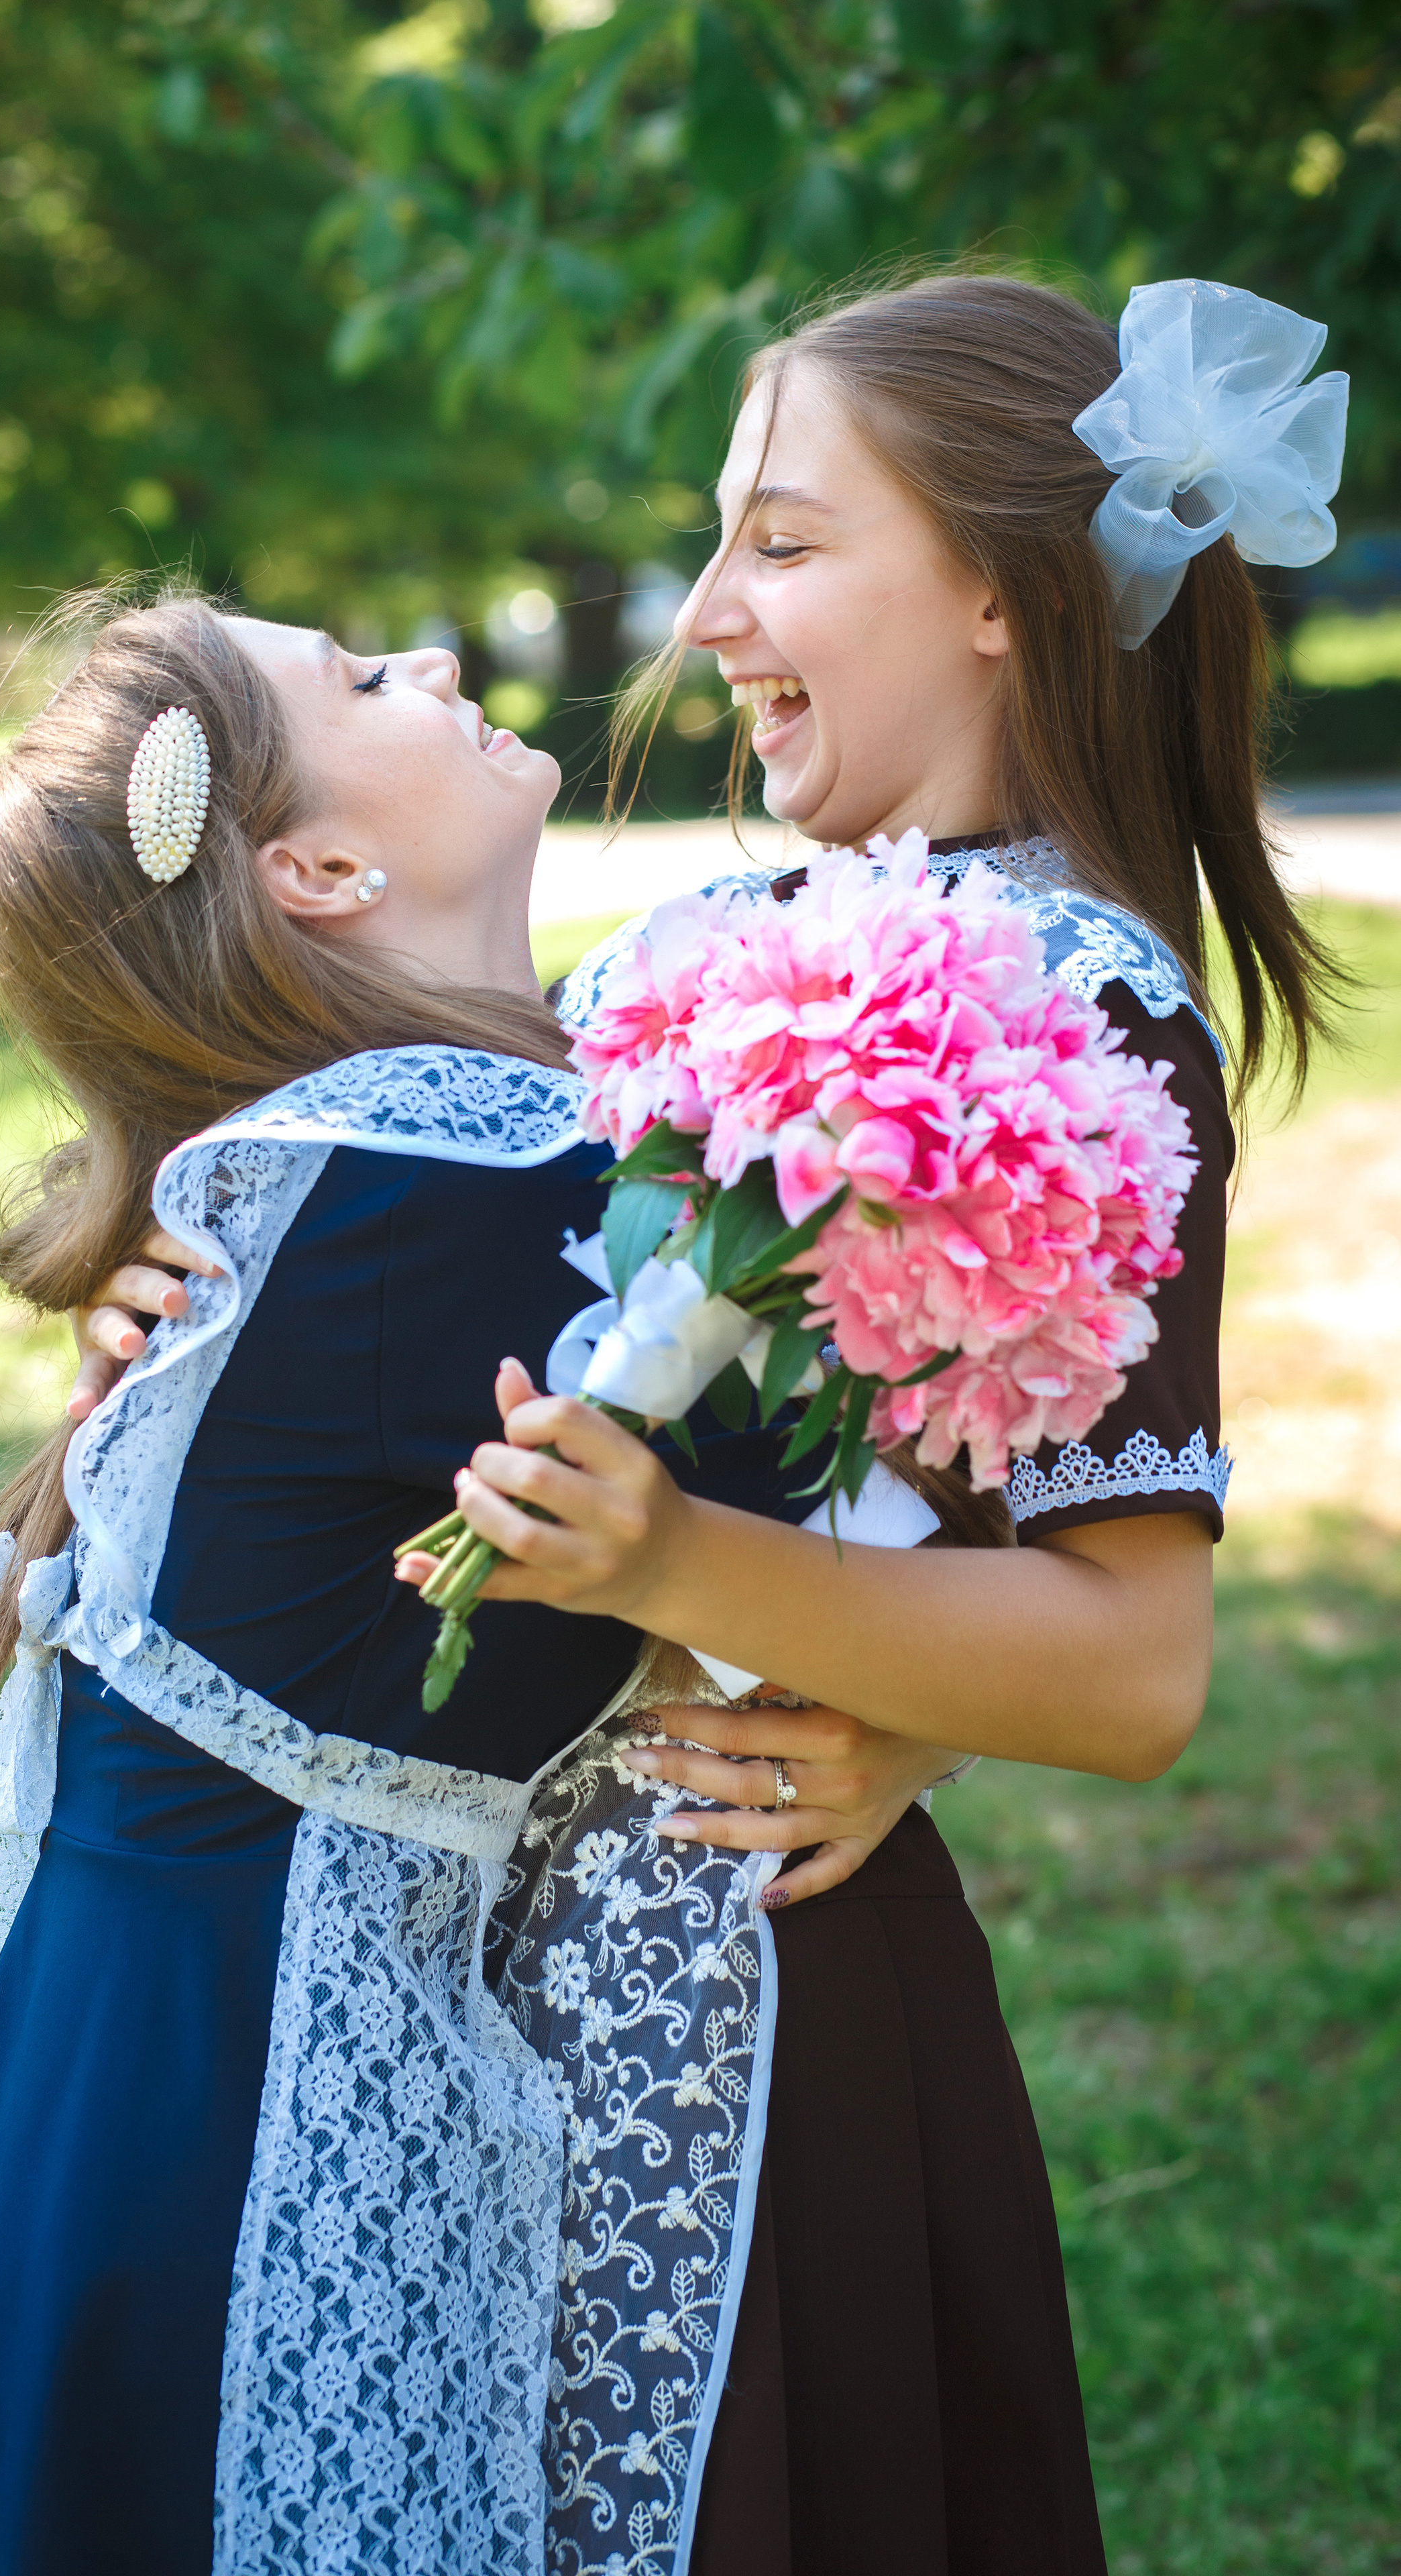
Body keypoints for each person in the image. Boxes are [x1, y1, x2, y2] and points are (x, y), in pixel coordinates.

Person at [0, 592, 875, 2576]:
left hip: (115, 2074)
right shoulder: (436, 1171)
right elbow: (852, 1481)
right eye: (366, 683)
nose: (437, 667)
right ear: (324, 871)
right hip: (232, 2109)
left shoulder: (364, 1164)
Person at [404, 272, 1347, 2573]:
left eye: (786, 545)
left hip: (727, 1995)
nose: (709, 612)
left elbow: (1133, 1663)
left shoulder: (1080, 1015)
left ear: (1008, 598)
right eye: (722, 543)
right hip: (458, 1953)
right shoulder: (727, 930)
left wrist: (682, 1569)